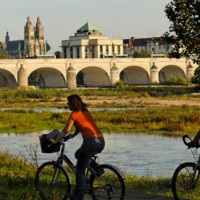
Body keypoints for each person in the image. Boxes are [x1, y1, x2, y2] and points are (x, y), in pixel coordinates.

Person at [50, 94, 105, 200]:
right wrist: (73, 135)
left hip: (90, 142)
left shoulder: (74, 115)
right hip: (101, 141)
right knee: (78, 154)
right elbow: (81, 126)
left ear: (72, 104)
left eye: (68, 103)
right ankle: (97, 169)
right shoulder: (86, 112)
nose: (68, 105)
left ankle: (78, 197)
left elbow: (66, 130)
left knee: (80, 171)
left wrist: (55, 140)